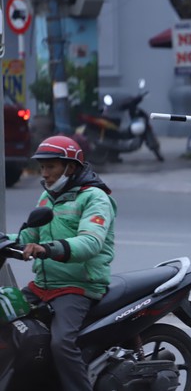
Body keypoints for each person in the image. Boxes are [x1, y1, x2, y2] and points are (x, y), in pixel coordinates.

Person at [14, 135, 117, 391]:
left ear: (69, 167)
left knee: (61, 343)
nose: (44, 174)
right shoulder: (47, 197)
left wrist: (47, 249)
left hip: (78, 285)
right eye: (42, 167)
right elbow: (28, 236)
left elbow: (90, 243)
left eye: (51, 167)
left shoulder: (94, 198)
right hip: (43, 285)